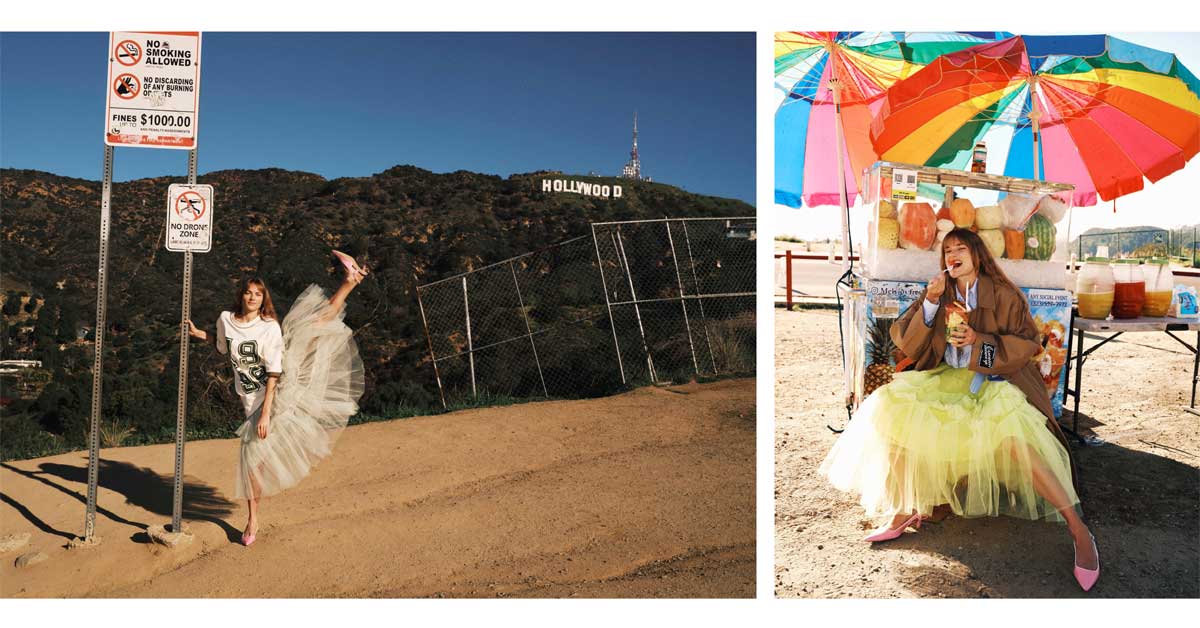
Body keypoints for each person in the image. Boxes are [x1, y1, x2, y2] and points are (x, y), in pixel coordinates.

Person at [819, 228, 1100, 592]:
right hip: (946, 378)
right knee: (892, 408)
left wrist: (979, 341)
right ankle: (906, 508)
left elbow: (1027, 345)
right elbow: (907, 339)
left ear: (976, 255)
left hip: (994, 380)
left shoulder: (1004, 294)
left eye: (960, 248)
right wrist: (931, 301)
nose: (952, 254)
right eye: (947, 249)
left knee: (1016, 439)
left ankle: (1078, 530)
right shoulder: (941, 291)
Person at [186, 250, 368, 547]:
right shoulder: (225, 320)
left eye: (258, 294)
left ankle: (252, 520)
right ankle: (351, 279)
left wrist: (266, 413)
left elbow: (273, 373)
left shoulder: (269, 326)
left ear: (264, 299)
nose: (253, 297)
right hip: (251, 399)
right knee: (314, 325)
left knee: (250, 463)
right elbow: (222, 347)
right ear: (241, 295)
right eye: (248, 292)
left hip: (275, 389)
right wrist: (199, 335)